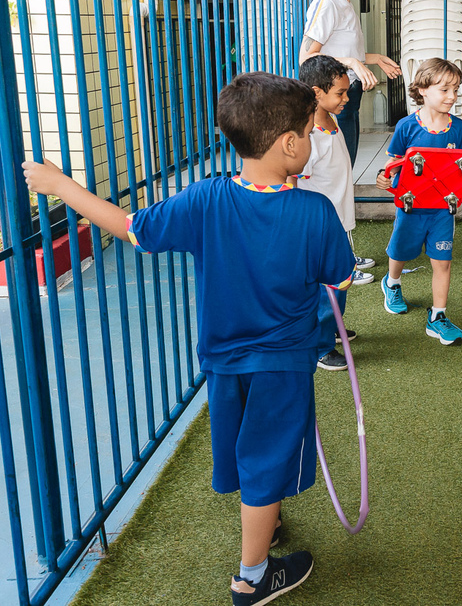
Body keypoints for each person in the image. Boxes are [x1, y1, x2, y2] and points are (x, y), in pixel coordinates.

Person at [23, 73, 355, 606]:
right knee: (267, 462)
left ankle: (264, 524)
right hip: (282, 365)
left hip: (223, 363)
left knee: (252, 454)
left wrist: (62, 186)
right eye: (308, 131)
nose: (313, 139)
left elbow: (131, 228)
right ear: (291, 143)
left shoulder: (205, 199)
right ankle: (252, 578)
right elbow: (339, 279)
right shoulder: (315, 211)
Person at [375, 58, 462, 345]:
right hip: (411, 206)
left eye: (456, 90)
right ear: (423, 90)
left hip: (442, 209)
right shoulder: (406, 126)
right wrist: (383, 177)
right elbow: (393, 164)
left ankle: (437, 317)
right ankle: (392, 283)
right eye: (445, 89)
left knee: (443, 263)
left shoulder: (458, 128)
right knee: (401, 251)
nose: (452, 96)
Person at [297, 55, 374, 372]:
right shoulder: (308, 135)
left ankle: (332, 328)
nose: (346, 98)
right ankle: (321, 346)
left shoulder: (331, 120)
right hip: (320, 227)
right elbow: (296, 182)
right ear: (317, 93)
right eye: (340, 93)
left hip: (336, 222)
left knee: (339, 281)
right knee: (329, 286)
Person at [299, 0, 401, 164]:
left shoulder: (344, 1)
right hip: (332, 96)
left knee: (347, 163)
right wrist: (353, 63)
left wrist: (375, 58)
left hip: (348, 95)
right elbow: (306, 58)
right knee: (339, 165)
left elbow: (341, 48)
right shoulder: (328, 3)